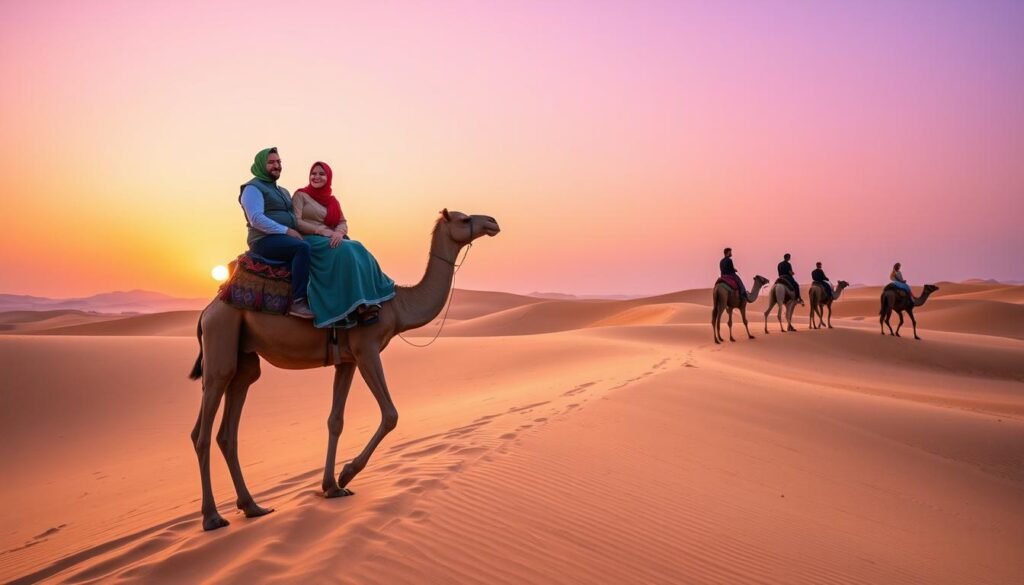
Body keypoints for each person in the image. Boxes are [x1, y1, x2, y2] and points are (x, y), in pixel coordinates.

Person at [292, 161, 396, 328]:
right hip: (310, 238)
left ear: (328, 177)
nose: (316, 176)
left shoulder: (332, 201)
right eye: (314, 173)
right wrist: (321, 230)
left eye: (321, 173)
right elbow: (296, 221)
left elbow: (342, 222)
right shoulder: (300, 195)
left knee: (357, 246)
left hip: (332, 237)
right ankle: (347, 306)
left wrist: (339, 233)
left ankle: (367, 298)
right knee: (345, 248)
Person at [238, 147, 313, 318]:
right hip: (264, 240)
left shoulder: (283, 191)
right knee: (301, 248)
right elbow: (256, 219)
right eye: (271, 162)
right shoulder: (253, 188)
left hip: (285, 237)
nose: (276, 165)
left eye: (279, 162)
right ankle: (299, 301)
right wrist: (287, 231)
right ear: (260, 165)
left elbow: (294, 216)